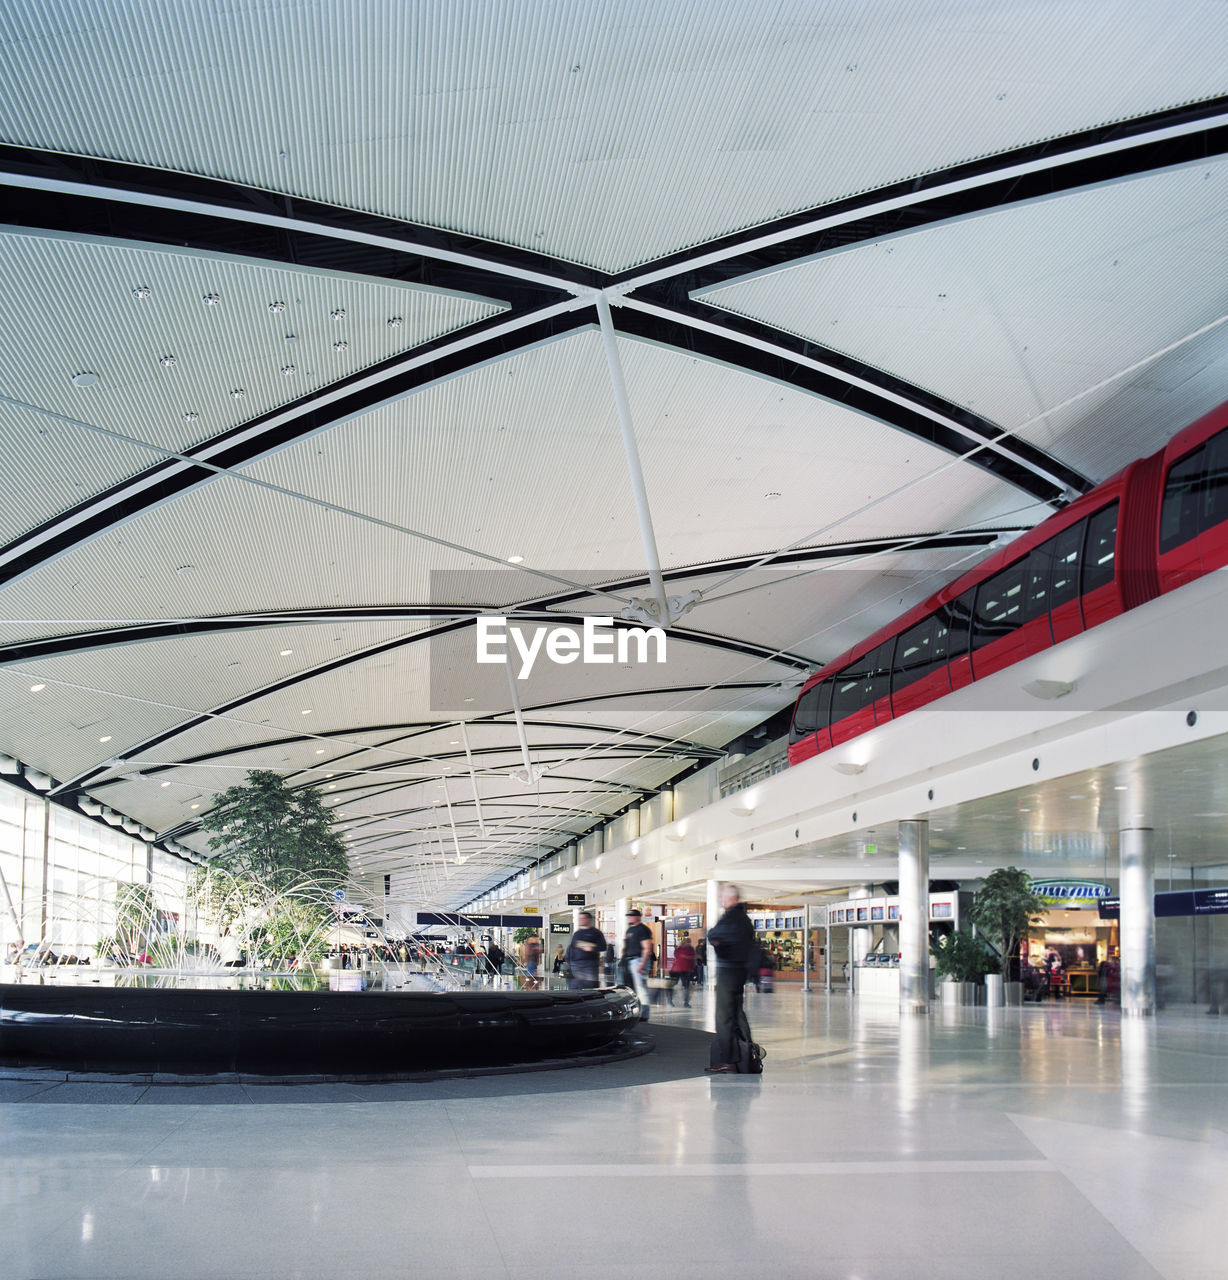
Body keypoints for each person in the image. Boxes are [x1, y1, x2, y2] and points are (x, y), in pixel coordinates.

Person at [705, 884, 757, 1073]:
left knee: (723, 1015)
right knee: (736, 1012)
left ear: (733, 898)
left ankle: (729, 1060)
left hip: (729, 971)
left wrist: (715, 937)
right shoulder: (743, 918)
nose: (722, 900)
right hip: (738, 970)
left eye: (725, 897)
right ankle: (747, 1050)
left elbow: (714, 934)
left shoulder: (733, 917)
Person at [621, 908, 655, 1021]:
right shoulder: (630, 930)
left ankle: (644, 1014)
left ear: (638, 917)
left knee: (641, 987)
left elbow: (647, 948)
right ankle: (634, 1011)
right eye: (628, 916)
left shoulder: (643, 930)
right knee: (630, 988)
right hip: (629, 960)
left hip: (639, 960)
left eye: (632, 916)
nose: (629, 918)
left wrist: (642, 963)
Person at [565, 911, 606, 989]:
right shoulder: (577, 933)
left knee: (589, 986)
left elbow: (603, 947)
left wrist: (591, 948)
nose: (581, 920)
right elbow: (571, 947)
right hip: (575, 964)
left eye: (583, 918)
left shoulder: (596, 933)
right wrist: (568, 960)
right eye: (580, 918)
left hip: (590, 964)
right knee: (574, 986)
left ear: (589, 919)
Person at [669, 934, 697, 1007]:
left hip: (678, 969)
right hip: (684, 970)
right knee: (686, 987)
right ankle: (685, 1003)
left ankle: (671, 1001)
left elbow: (676, 955)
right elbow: (693, 959)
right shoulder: (690, 949)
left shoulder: (680, 949)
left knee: (676, 985)